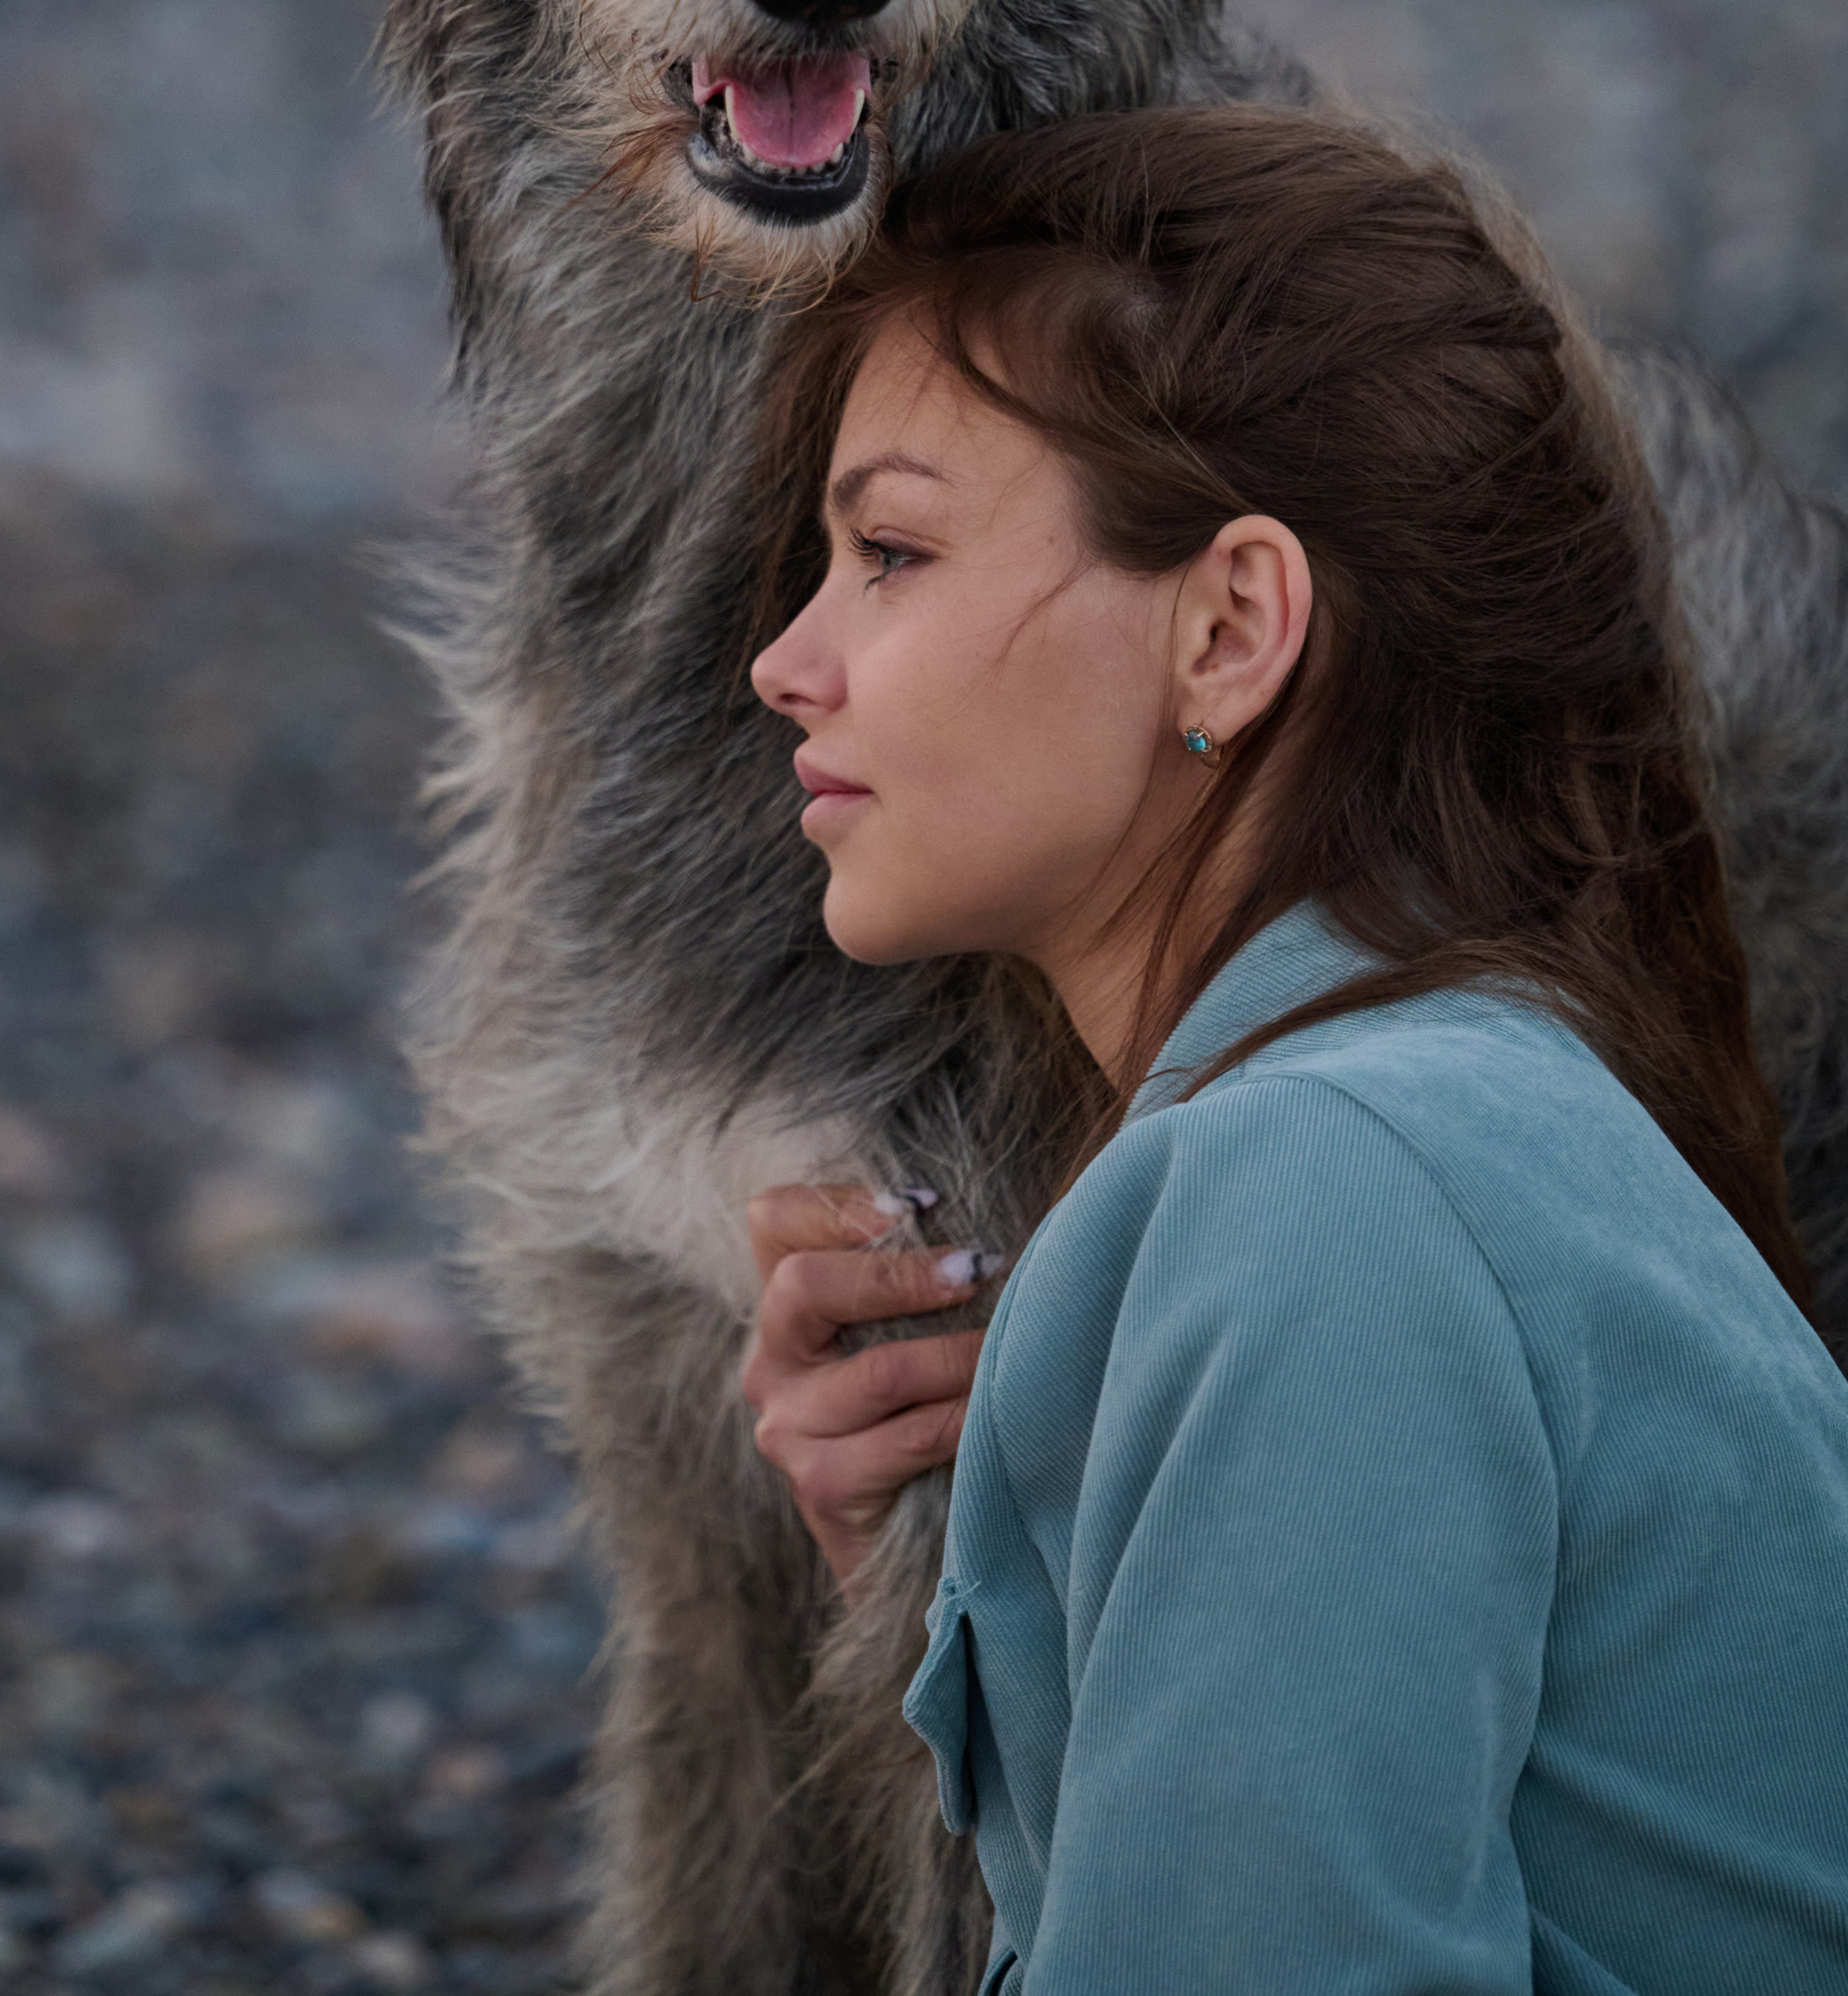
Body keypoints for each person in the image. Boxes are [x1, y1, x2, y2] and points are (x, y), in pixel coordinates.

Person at [739, 105, 1848, 1995]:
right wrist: (958, 1570)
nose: (786, 657)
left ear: (1231, 623)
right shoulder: (1443, 1109)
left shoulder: (1328, 1184)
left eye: (891, 550)